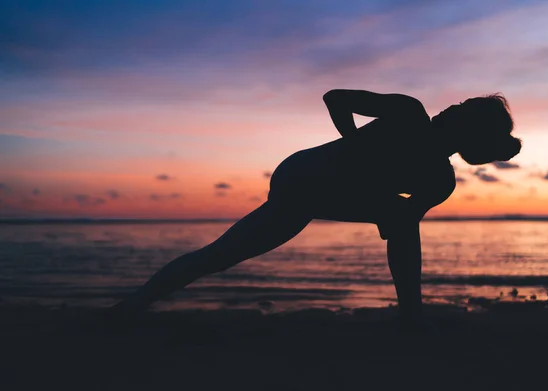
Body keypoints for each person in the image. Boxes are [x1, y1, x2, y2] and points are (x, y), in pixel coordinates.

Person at [111, 89, 521, 323]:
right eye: (459, 103)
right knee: (223, 253)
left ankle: (409, 314)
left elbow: (404, 225)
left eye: (463, 110)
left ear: (469, 133)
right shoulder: (407, 112)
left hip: (338, 195)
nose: (451, 106)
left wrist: (386, 214)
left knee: (400, 217)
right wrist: (356, 142)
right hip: (303, 176)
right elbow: (336, 98)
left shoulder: (439, 180)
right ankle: (135, 304)